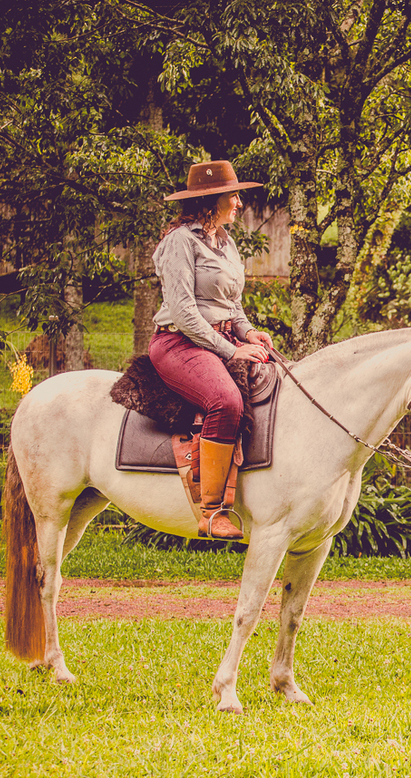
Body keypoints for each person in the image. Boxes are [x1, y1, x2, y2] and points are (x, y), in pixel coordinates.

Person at [149, 160, 274, 540]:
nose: (238, 203)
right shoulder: (179, 242)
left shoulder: (224, 240)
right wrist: (230, 350)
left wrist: (248, 333)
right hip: (178, 342)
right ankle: (212, 512)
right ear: (211, 200)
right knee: (226, 401)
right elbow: (185, 313)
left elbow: (231, 303)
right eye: (233, 196)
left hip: (220, 340)